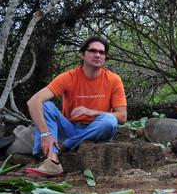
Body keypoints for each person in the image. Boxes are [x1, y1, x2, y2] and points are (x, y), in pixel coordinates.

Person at [25, 36, 127, 177]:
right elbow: (33, 101)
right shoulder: (69, 77)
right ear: (82, 54)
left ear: (105, 57)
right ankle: (52, 160)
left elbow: (122, 117)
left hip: (96, 130)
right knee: (46, 105)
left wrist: (91, 112)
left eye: (102, 52)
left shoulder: (114, 79)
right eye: (92, 51)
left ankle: (64, 146)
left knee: (109, 121)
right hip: (70, 128)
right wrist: (45, 134)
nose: (98, 55)